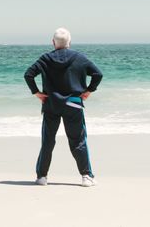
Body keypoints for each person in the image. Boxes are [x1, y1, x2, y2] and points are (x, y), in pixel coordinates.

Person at [24, 28, 103, 187]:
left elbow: (28, 74)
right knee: (78, 140)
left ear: (53, 42)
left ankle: (42, 177)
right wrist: (88, 91)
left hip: (51, 103)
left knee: (48, 141)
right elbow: (98, 74)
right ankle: (86, 176)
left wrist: (37, 93)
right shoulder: (79, 57)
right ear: (70, 43)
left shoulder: (45, 58)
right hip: (73, 102)